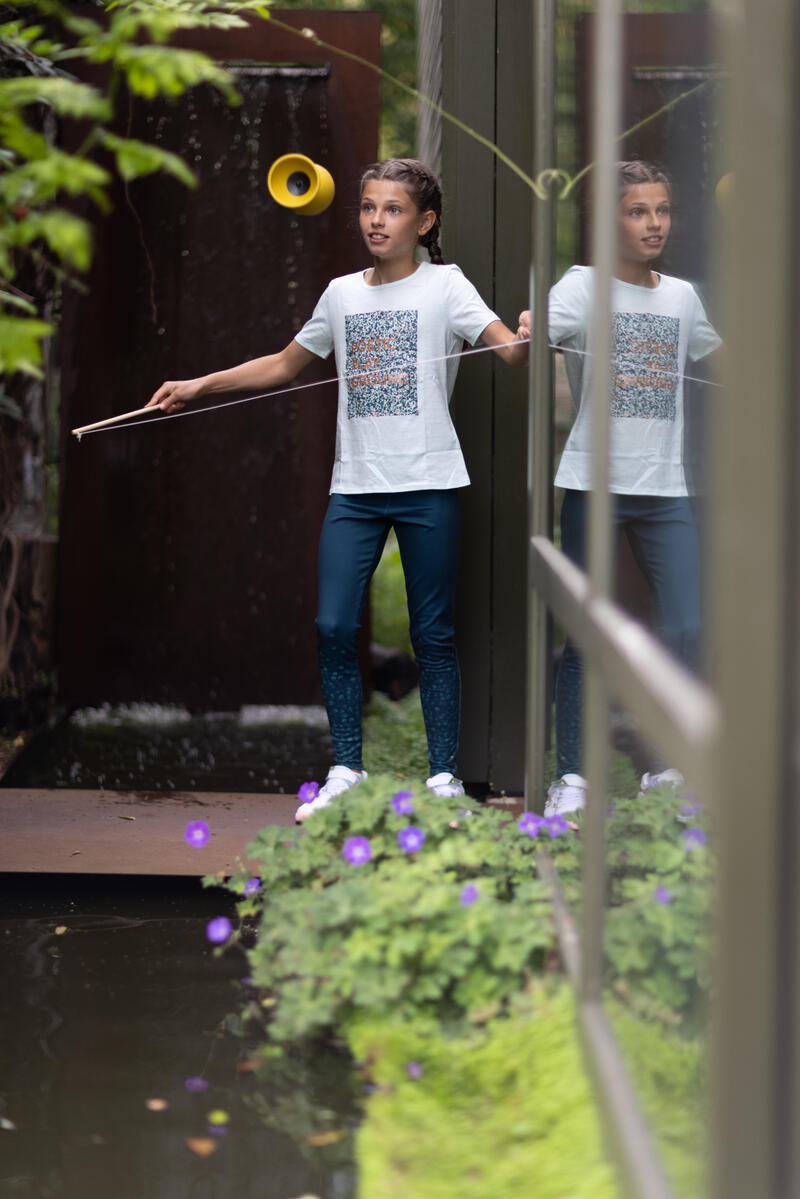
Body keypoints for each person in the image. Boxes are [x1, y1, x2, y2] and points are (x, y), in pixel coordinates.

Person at [147, 157, 527, 821]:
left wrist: (527, 334)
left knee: (432, 634)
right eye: (368, 207)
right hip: (355, 488)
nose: (376, 220)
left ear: (425, 220)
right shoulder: (340, 294)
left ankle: (442, 779)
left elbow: (509, 352)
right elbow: (284, 364)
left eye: (393, 209)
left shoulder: (448, 287)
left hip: (430, 482)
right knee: (332, 625)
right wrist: (198, 384)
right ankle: (346, 767)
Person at [518, 160, 721, 817]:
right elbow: (535, 330)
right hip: (594, 483)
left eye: (662, 210)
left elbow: (726, 363)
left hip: (667, 489)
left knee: (688, 627)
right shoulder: (581, 289)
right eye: (638, 212)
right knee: (584, 634)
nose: (654, 223)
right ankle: (571, 778)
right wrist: (528, 324)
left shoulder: (683, 299)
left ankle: (671, 771)